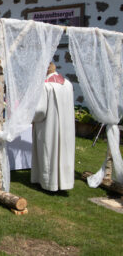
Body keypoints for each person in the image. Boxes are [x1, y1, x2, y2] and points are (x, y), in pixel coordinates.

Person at [31, 62, 75, 192]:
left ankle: (48, 182)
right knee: (63, 151)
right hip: (66, 127)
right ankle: (64, 182)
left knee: (49, 151)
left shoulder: (45, 85)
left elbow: (40, 111)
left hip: (49, 126)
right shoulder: (67, 84)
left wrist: (30, 117)